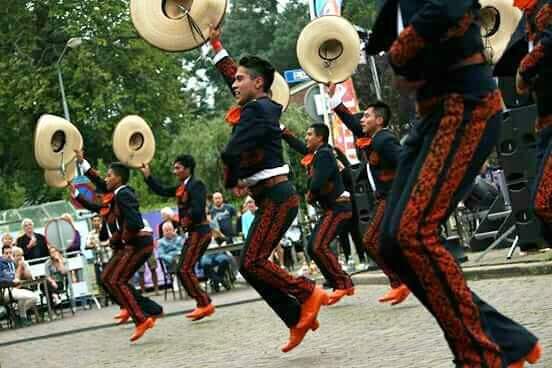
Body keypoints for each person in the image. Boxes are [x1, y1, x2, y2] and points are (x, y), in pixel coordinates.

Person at [367, 2, 541, 366]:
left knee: (413, 234)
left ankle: (482, 356)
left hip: (466, 105)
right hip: (433, 113)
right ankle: (506, 340)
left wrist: (400, 55)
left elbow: (449, 7)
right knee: (391, 242)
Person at [210, 26, 328, 353]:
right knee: (252, 265)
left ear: (258, 84)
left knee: (252, 262)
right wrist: (215, 45)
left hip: (278, 197)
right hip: (272, 197)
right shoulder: (260, 105)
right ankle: (298, 317)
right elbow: (236, 75)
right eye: (234, 79)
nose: (234, 83)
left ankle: (307, 294)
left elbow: (231, 152)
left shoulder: (257, 111)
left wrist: (232, 180)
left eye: (240, 79)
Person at [327, 84, 410, 305]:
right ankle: (401, 281)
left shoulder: (385, 140)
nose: (361, 119)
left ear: (379, 121)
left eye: (367, 116)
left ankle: (400, 282)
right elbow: (350, 121)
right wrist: (333, 96)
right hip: (384, 197)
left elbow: (405, 163)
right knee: (381, 241)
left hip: (393, 196)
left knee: (371, 239)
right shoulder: (372, 137)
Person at [71, 149, 162, 342]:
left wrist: (118, 239)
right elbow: (98, 188)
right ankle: (146, 309)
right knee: (107, 278)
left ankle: (141, 318)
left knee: (116, 280)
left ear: (118, 179)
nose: (106, 178)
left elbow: (135, 223)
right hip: (131, 244)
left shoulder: (123, 194)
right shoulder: (114, 195)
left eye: (109, 175)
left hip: (139, 243)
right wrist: (82, 164)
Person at [281, 123, 355, 305]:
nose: (306, 137)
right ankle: (338, 281)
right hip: (332, 209)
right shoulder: (319, 153)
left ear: (320, 138)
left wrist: (310, 193)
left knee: (318, 245)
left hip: (339, 208)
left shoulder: (323, 155)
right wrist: (282, 131)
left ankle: (343, 283)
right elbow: (299, 146)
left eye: (309, 134)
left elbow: (316, 183)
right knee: (314, 247)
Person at [140, 154, 215, 321]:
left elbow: (197, 210)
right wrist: (148, 176)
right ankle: (204, 303)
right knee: (183, 269)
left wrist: (178, 220)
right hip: (193, 233)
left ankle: (205, 304)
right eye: (174, 168)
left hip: (201, 232)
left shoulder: (197, 185)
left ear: (187, 169)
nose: (175, 172)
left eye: (178, 168)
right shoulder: (182, 187)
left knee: (184, 269)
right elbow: (161, 190)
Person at [515, 0, 552, 246]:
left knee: (544, 201)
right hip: (545, 124)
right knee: (540, 207)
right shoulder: (529, 21)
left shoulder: (547, 8)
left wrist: (524, 69)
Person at [0, 246, 38, 327]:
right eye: (6, 253)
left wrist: (23, 265)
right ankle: (20, 316)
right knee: (31, 296)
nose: (9, 255)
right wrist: (12, 280)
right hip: (5, 291)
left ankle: (20, 316)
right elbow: (9, 279)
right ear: (2, 254)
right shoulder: (1, 264)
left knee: (33, 297)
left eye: (10, 253)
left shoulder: (11, 263)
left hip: (13, 289)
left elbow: (28, 277)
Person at [85, 215, 112, 305]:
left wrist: (99, 244)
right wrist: (93, 245)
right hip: (97, 260)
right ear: (92, 222)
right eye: (94, 221)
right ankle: (103, 299)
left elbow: (111, 241)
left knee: (110, 278)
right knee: (100, 280)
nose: (96, 222)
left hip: (107, 259)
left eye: (98, 220)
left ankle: (113, 297)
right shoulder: (91, 234)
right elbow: (87, 245)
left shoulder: (106, 231)